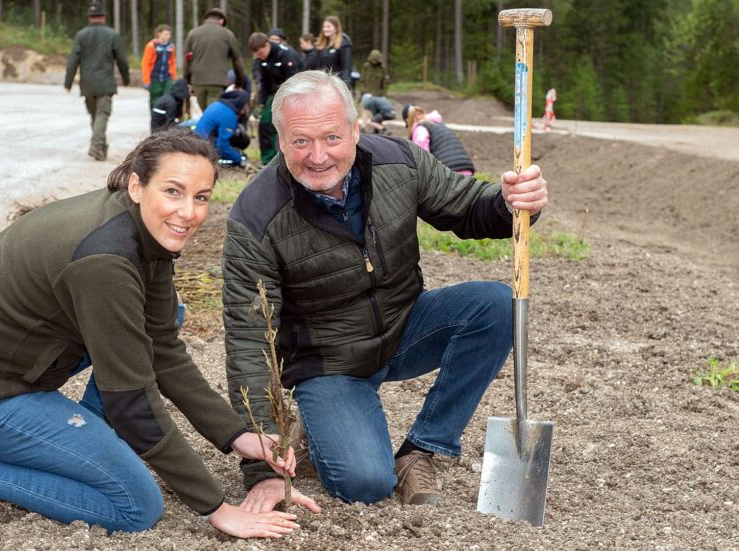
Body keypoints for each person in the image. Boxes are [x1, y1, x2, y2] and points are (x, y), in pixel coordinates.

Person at [0, 129, 302, 539]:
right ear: (137, 185)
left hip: (6, 364)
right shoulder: (107, 261)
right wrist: (217, 508)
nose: (188, 212)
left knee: (168, 316)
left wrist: (237, 436)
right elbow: (131, 400)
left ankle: (83, 441)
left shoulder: (143, 231)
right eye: (173, 191)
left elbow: (163, 352)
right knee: (135, 506)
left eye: (201, 197)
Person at [221, 71, 548, 511]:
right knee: (366, 483)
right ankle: (318, 426)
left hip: (404, 327)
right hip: (328, 362)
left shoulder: (399, 161)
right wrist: (262, 464)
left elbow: (470, 208)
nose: (318, 156)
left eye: (332, 137)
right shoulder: (256, 216)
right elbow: (248, 340)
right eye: (301, 141)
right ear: (279, 139)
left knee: (493, 305)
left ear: (357, 130)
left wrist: (510, 203)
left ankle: (421, 449)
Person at [64, 0, 130, 162]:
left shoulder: (81, 35)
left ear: (89, 18)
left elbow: (73, 60)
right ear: (103, 17)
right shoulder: (112, 34)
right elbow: (122, 59)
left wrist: (68, 81)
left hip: (87, 85)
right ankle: (96, 145)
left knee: (96, 116)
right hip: (105, 84)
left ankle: (101, 149)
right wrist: (126, 78)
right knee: (102, 114)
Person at [248, 32, 301, 165]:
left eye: (260, 53)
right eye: (257, 55)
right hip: (275, 94)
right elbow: (264, 83)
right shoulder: (261, 60)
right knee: (265, 123)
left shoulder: (286, 54)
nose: (259, 57)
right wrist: (261, 103)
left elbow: (295, 79)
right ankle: (268, 161)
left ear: (267, 45)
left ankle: (290, 158)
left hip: (294, 92)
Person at [184, 7, 246, 110]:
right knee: (213, 114)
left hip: (197, 81)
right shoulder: (227, 34)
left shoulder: (193, 33)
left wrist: (189, 82)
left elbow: (187, 60)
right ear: (221, 21)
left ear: (206, 19)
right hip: (217, 82)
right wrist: (239, 82)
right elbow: (237, 61)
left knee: (206, 115)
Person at [403, 103, 476, 175]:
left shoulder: (420, 128)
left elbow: (422, 155)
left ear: (408, 121)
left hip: (449, 172)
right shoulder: (437, 124)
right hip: (466, 166)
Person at [194, 89, 250, 167]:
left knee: (242, 140)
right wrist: (239, 159)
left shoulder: (218, 104)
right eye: (246, 104)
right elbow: (222, 145)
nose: (247, 107)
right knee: (240, 155)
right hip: (205, 146)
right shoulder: (229, 115)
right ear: (240, 103)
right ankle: (220, 159)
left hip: (198, 140)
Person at [305, 16, 353, 86]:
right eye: (324, 27)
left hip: (336, 84)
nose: (325, 29)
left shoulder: (344, 44)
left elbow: (346, 68)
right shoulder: (321, 44)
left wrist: (345, 85)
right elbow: (311, 63)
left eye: (328, 27)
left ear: (336, 28)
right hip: (320, 83)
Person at [141, 24, 177, 108]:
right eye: (166, 34)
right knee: (155, 100)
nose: (168, 36)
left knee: (167, 98)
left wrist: (174, 78)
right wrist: (146, 80)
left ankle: (165, 119)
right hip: (154, 77)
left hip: (167, 77)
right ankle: (155, 119)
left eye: (169, 34)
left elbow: (172, 63)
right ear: (159, 34)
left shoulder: (171, 46)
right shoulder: (151, 46)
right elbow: (146, 64)